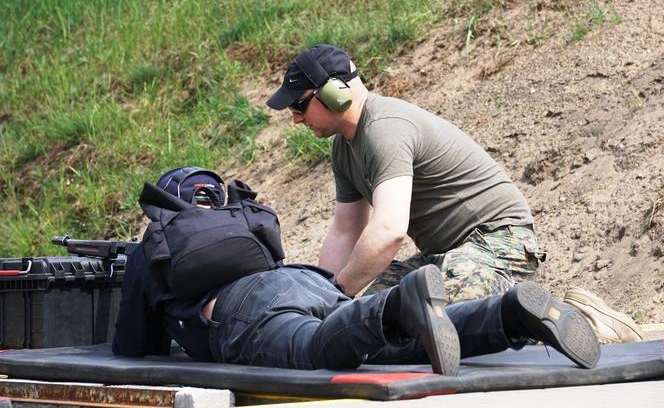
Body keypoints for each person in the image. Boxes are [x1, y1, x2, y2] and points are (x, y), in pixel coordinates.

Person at [265, 45, 647, 347]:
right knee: (374, 323)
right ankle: (525, 312)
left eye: (299, 105)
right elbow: (346, 232)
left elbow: (389, 231)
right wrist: (324, 298)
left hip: (500, 240)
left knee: (438, 319)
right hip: (448, 255)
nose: (296, 118)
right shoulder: (344, 149)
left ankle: (581, 319)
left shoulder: (385, 128)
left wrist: (340, 294)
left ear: (335, 93)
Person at [113, 166, 601, 374]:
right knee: (405, 348)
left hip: (245, 310)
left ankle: (394, 307)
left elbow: (134, 349)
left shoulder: (155, 242)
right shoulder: (239, 218)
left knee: (315, 348)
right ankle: (507, 315)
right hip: (304, 280)